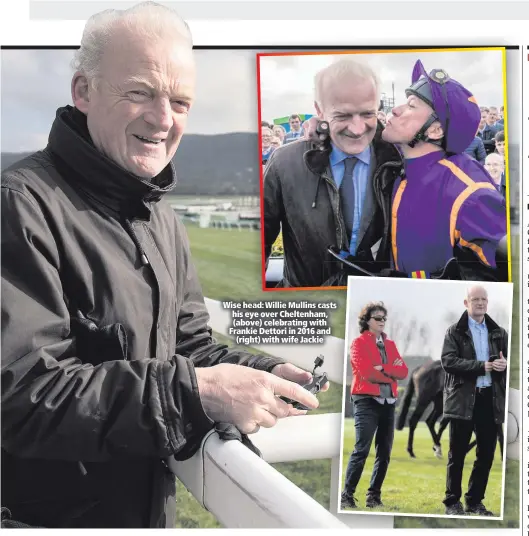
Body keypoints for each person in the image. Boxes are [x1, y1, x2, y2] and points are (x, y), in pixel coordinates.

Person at [1, 3, 322, 529]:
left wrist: (259, 373)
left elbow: (186, 347)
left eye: (180, 101)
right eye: (140, 93)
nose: (163, 118)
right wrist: (199, 393)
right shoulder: (20, 205)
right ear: (83, 92)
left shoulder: (159, 216)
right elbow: (22, 398)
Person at [263, 59, 402, 287]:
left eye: (368, 114)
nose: (357, 129)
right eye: (343, 116)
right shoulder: (284, 163)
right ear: (319, 110)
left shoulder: (398, 162)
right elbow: (259, 248)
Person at [380, 60, 507, 280]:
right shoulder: (403, 165)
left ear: (436, 130)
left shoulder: (471, 194)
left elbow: (502, 279)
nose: (396, 110)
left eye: (411, 105)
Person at [440, 285, 507, 516]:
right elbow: (448, 362)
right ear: (466, 303)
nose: (480, 303)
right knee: (456, 453)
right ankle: (452, 503)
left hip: (490, 400)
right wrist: (482, 366)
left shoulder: (500, 333)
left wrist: (504, 365)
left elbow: (512, 364)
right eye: (475, 299)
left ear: (487, 303)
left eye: (483, 300)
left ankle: (474, 501)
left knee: (486, 454)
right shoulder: (453, 332)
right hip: (463, 399)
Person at [340, 302, 408, 510]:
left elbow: (403, 372)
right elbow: (366, 373)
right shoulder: (358, 343)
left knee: (384, 452)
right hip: (366, 402)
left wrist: (383, 368)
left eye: (384, 318)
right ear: (367, 321)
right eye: (378, 318)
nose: (382, 322)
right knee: (362, 450)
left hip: (389, 404)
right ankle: (347, 496)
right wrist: (390, 373)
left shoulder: (391, 345)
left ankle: (373, 497)